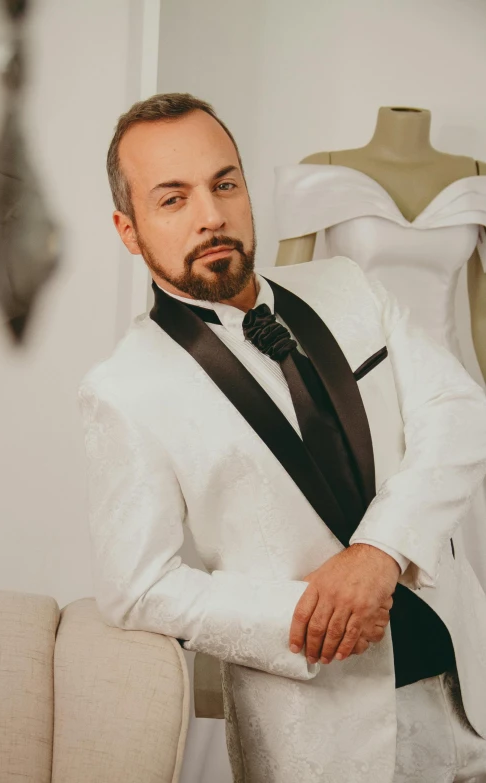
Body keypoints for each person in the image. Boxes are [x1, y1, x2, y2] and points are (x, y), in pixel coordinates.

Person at [78, 93, 486, 783]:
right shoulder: (123, 387)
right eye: (172, 199)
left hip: (461, 686)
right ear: (129, 229)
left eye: (224, 184)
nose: (212, 215)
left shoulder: (351, 284)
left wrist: (377, 553)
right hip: (319, 730)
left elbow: (458, 408)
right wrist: (307, 614)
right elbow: (138, 586)